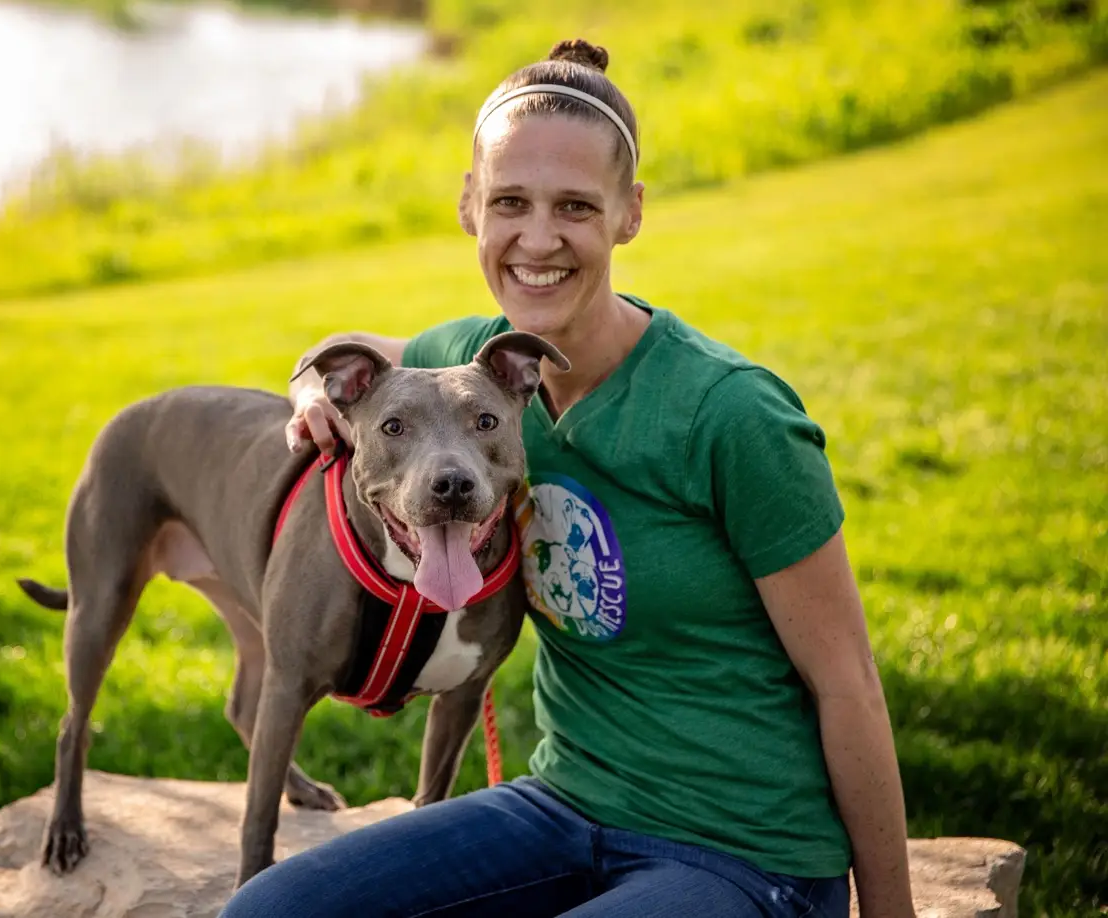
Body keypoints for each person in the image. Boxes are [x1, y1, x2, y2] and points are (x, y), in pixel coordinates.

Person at [222, 38, 915, 918]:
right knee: (266, 913)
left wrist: (889, 912)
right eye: (510, 201)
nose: (538, 239)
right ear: (470, 206)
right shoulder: (473, 374)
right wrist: (306, 390)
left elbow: (849, 683)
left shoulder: (731, 415)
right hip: (564, 807)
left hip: (744, 851)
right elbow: (340, 360)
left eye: (576, 207)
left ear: (629, 214)